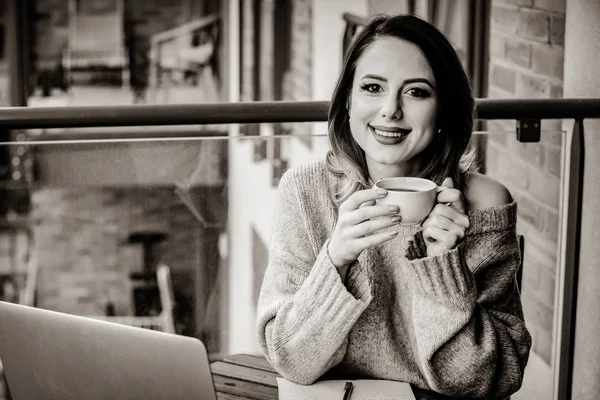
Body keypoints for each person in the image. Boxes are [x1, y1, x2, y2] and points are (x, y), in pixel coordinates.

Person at [256, 14, 531, 399]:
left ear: (444, 110)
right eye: (372, 87)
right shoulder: (306, 190)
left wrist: (442, 268)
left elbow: (491, 379)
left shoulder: (483, 205)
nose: (390, 110)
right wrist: (336, 260)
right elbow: (291, 361)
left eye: (416, 92)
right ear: (348, 101)